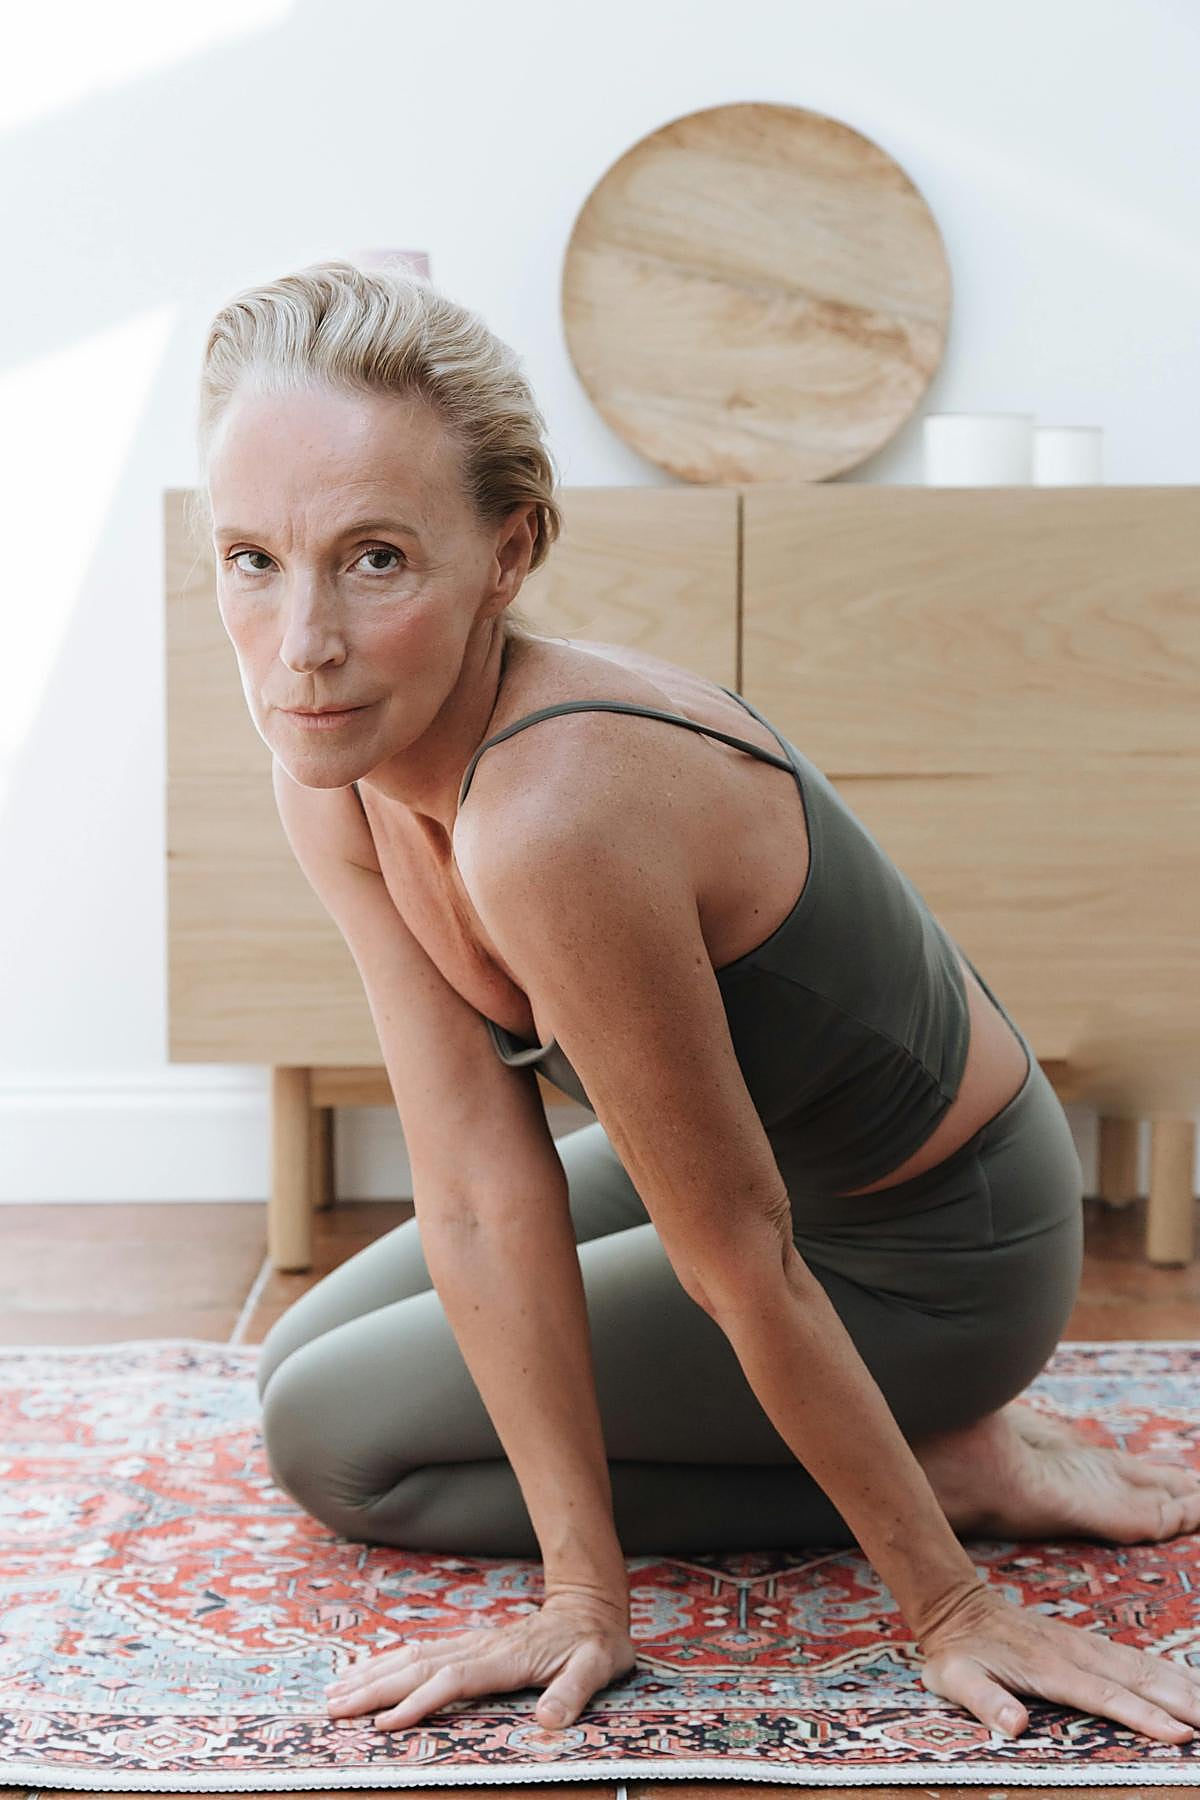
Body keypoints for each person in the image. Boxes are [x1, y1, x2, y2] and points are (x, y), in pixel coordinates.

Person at [194, 258, 1200, 1748]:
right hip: (774, 1177)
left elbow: (740, 1249)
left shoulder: (553, 818)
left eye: (378, 559)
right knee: (301, 1360)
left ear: (507, 553)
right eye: (253, 560)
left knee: (340, 1445)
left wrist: (946, 1600)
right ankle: (920, 1455)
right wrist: (572, 1598)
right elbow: (476, 1183)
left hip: (937, 1241)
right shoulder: (332, 759)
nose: (304, 644)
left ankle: (959, 1463)